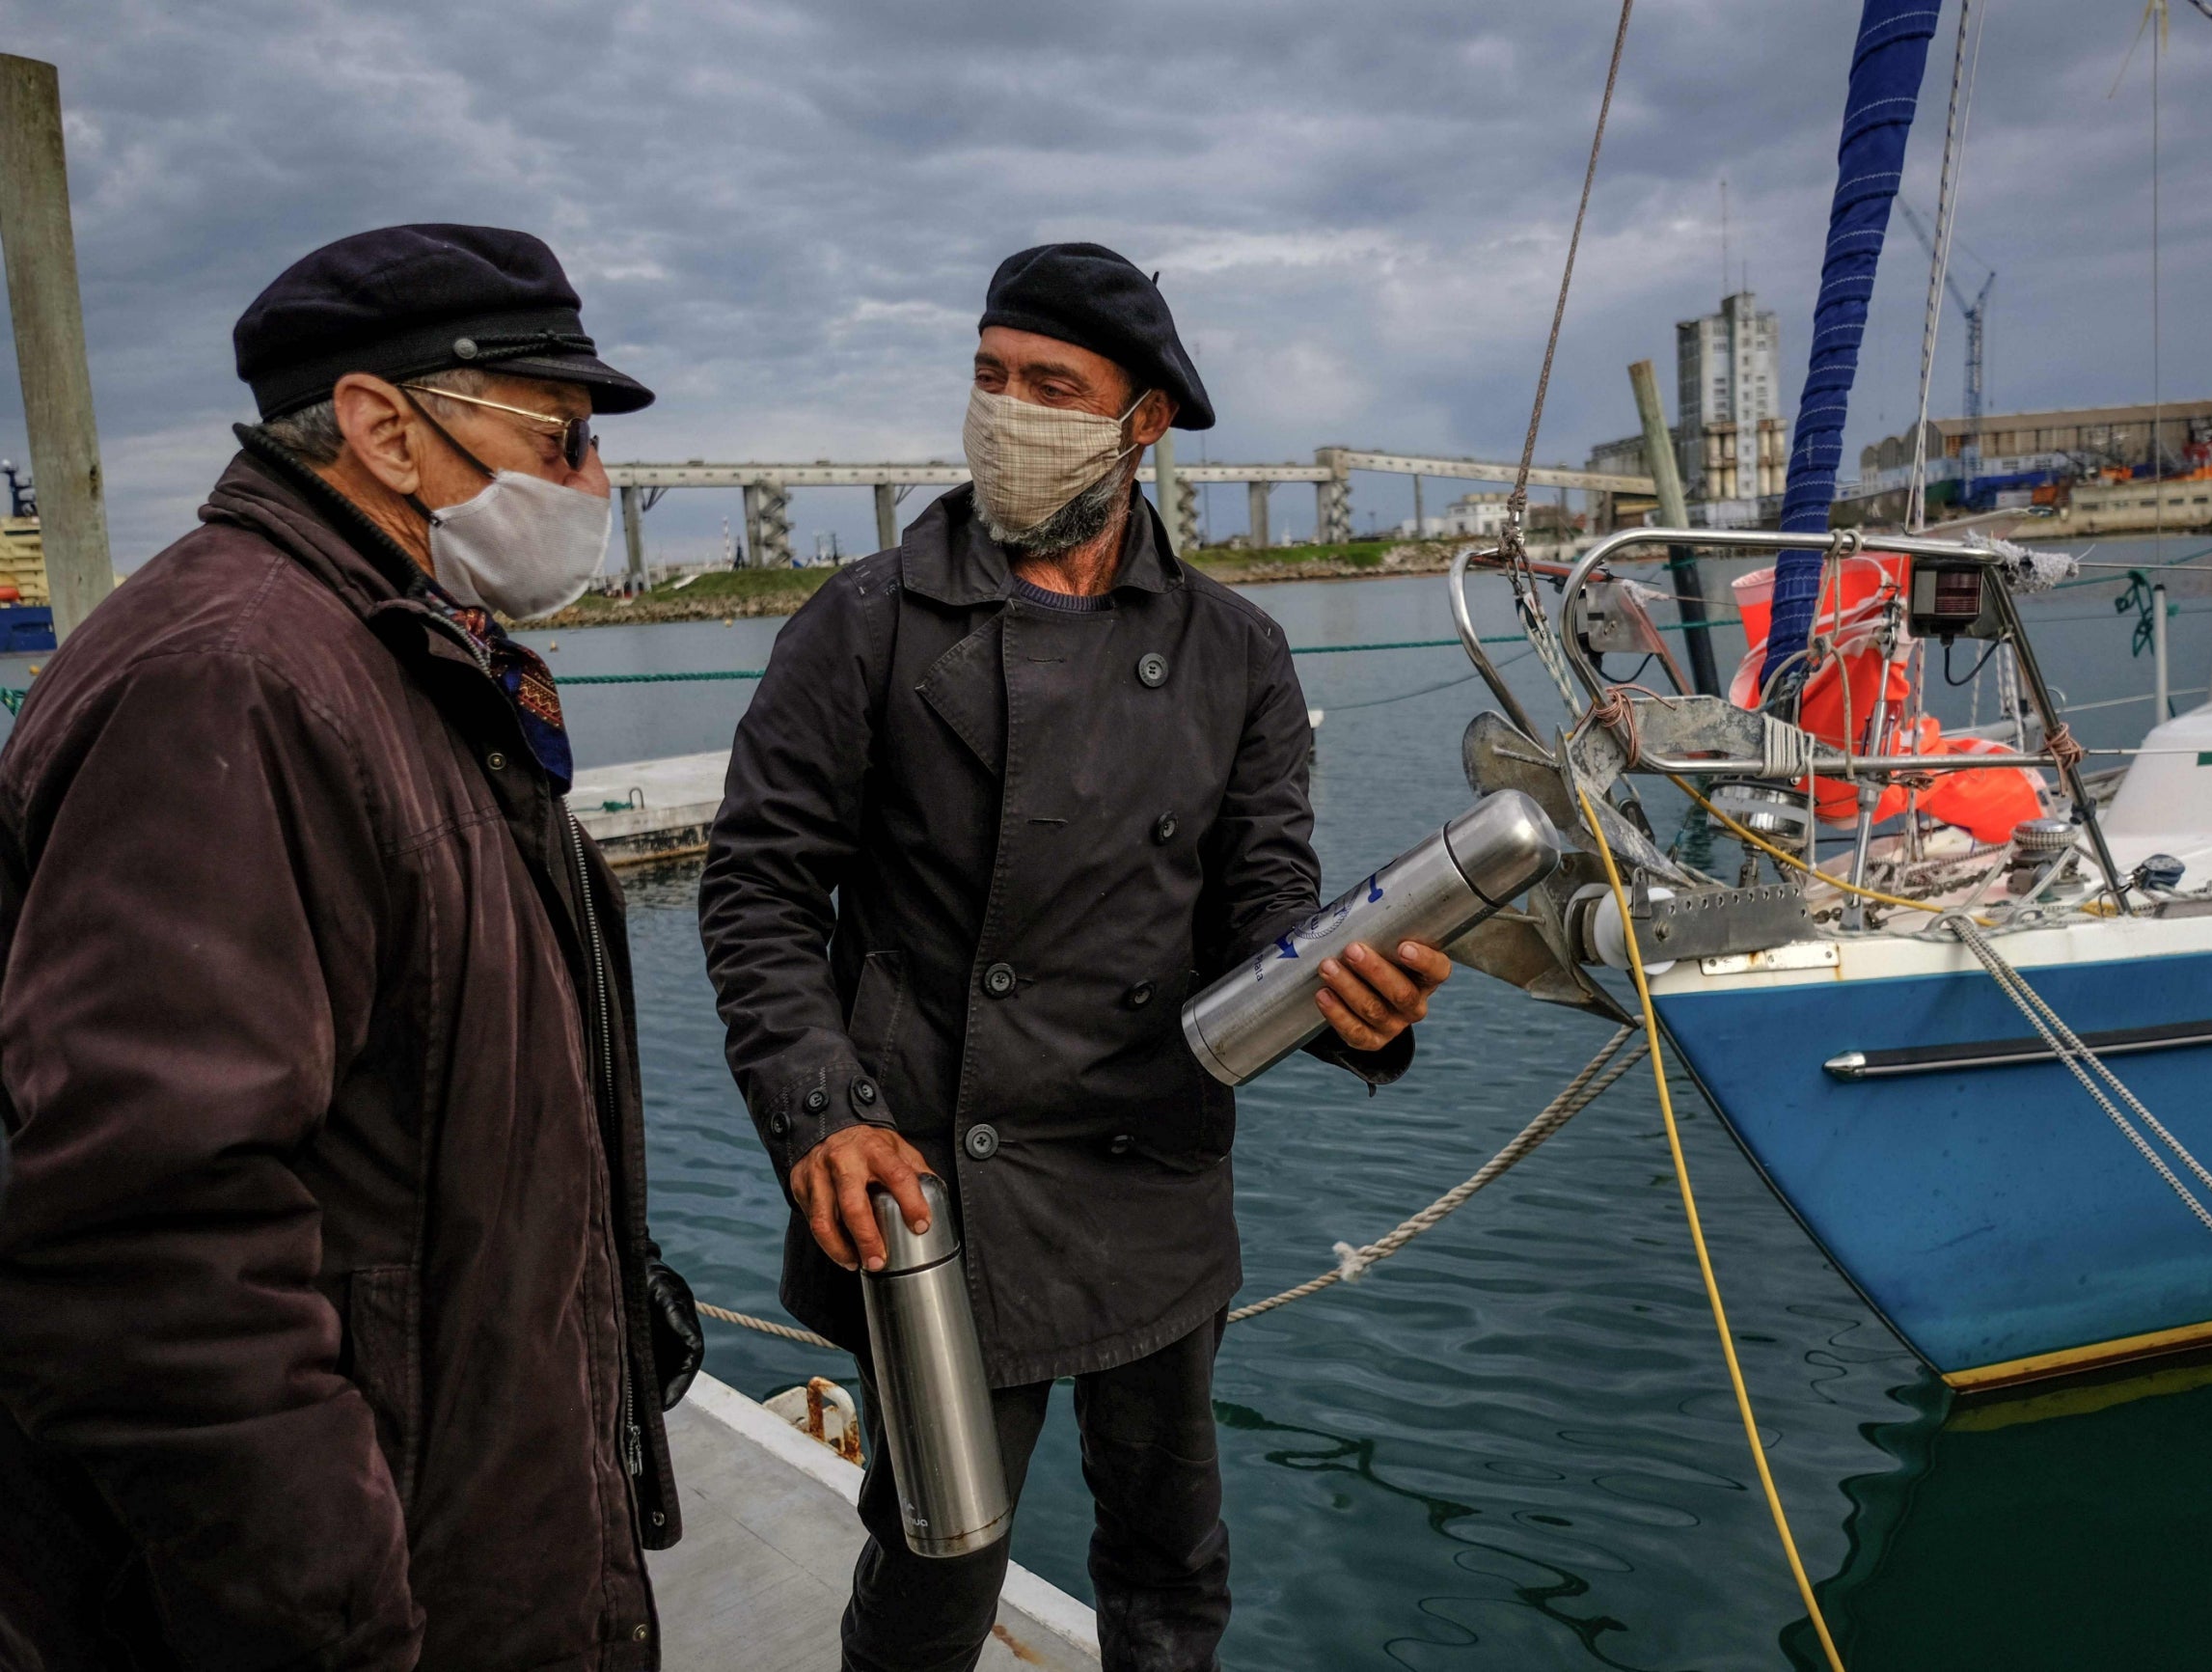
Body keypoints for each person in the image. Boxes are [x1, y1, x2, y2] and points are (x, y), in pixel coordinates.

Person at [699, 241, 1454, 1672]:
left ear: (1143, 419)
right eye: (990, 375)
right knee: (939, 1566)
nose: (1009, 408)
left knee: (1173, 1566)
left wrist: (1357, 1009)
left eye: (1052, 384)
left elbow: (1264, 911)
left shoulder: (1238, 651)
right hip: (926, 1176)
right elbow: (758, 888)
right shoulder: (861, 627)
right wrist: (822, 1110)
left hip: (1149, 1169)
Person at [0, 224, 702, 1670]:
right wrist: (337, 1632)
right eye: (562, 438)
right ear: (385, 428)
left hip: (487, 1541)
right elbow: (158, 1255)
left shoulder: (401, 653)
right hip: (393, 1600)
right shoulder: (237, 683)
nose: (593, 486)